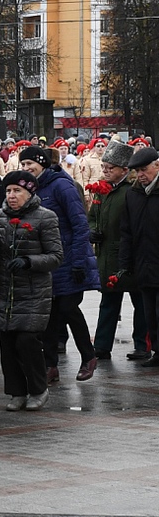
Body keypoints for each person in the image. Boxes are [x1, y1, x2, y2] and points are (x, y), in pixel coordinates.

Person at [19, 146, 100, 383]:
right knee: (50, 315)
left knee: (67, 309)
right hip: (48, 261)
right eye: (22, 165)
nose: (26, 169)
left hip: (70, 258)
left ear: (42, 163)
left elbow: (79, 224)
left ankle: (89, 356)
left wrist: (77, 261)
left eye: (30, 164)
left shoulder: (62, 185)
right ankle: (50, 365)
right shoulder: (33, 188)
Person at [0, 171, 63, 410]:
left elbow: (55, 256)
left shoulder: (45, 217)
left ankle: (38, 389)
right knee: (8, 343)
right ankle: (16, 392)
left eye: (17, 191)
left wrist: (29, 261)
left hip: (33, 292)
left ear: (30, 192)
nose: (11, 196)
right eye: (9, 191)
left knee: (27, 342)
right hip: (5, 291)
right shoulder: (0, 215)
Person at [89, 141, 147, 360]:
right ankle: (102, 345)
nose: (105, 172)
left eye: (110, 168)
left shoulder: (132, 191)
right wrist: (92, 231)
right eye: (104, 167)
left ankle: (142, 345)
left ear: (124, 170)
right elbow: (92, 217)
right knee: (109, 302)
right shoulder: (100, 191)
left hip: (129, 254)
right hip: (106, 255)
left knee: (140, 302)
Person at [119, 146, 159, 367]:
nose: (140, 175)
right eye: (137, 171)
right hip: (143, 263)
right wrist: (125, 263)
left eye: (144, 170)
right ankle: (157, 351)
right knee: (149, 313)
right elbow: (127, 232)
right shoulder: (133, 194)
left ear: (157, 166)